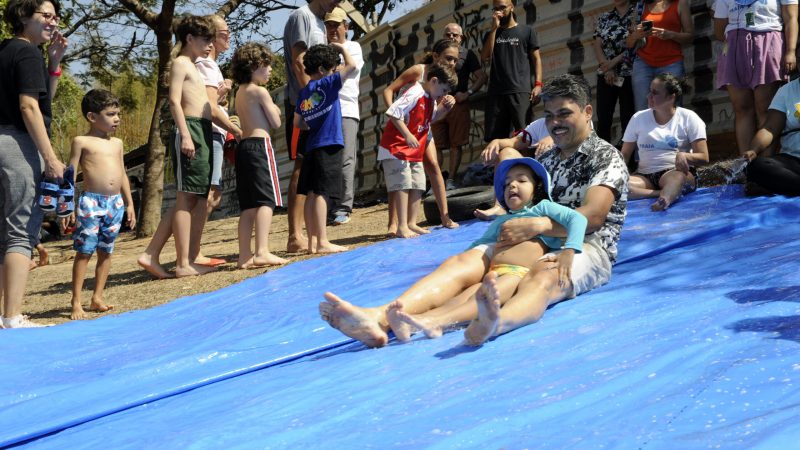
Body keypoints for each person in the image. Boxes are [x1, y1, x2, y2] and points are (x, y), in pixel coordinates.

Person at [320, 74, 628, 348]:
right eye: (549, 116)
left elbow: (594, 216)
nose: (555, 122)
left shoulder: (605, 157)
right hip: (530, 239)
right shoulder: (547, 160)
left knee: (543, 276)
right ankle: (381, 316)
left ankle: (494, 322)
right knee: (463, 262)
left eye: (564, 114)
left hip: (585, 246)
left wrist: (538, 227)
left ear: (587, 112)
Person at [389, 157, 587, 344]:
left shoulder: (543, 208)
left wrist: (570, 249)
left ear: (537, 188)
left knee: (479, 302)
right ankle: (416, 322)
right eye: (507, 183)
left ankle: (438, 322)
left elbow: (577, 219)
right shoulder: (501, 220)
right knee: (461, 299)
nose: (512, 185)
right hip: (493, 273)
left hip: (517, 274)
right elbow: (480, 244)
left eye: (521, 180)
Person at [1, 0, 67, 329]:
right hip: (17, 145)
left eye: (56, 16)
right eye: (46, 15)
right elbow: (29, 109)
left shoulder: (9, 50)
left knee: (4, 232)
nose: (53, 22)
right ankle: (12, 316)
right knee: (19, 234)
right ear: (24, 16)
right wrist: (51, 157)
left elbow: (42, 102)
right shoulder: (27, 53)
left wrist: (54, 63)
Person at [137, 15, 217, 278]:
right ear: (189, 39)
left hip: (201, 130)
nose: (209, 45)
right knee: (186, 196)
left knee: (192, 196)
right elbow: (173, 102)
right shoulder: (180, 63)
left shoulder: (194, 65)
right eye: (205, 39)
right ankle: (183, 263)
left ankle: (151, 254)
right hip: (190, 129)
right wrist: (185, 135)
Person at [60, 89, 135, 320]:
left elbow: (122, 172)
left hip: (115, 203)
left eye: (118, 114)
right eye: (111, 114)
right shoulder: (81, 141)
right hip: (91, 203)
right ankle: (76, 302)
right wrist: (66, 205)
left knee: (106, 251)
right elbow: (70, 174)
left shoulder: (117, 143)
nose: (117, 119)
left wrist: (129, 203)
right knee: (84, 252)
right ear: (92, 117)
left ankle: (97, 297)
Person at [382, 38, 461, 232]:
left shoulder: (432, 95)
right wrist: (405, 129)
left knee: (417, 180)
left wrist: (445, 108)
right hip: (400, 141)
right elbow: (393, 107)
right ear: (436, 57)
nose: (452, 63)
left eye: (455, 61)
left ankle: (412, 222)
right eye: (448, 58)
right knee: (401, 181)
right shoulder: (418, 82)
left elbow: (430, 118)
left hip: (416, 138)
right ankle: (398, 224)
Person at [283, 0, 338, 252]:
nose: (338, 2)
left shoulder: (319, 21)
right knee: (301, 166)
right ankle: (295, 235)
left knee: (312, 170)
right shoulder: (301, 16)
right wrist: (313, 100)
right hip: (305, 106)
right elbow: (299, 61)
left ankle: (313, 235)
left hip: (317, 108)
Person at [294, 43, 356, 254]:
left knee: (311, 193)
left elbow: (298, 123)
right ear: (322, 70)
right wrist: (341, 48)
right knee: (322, 193)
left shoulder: (304, 92)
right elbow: (352, 66)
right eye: (331, 69)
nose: (334, 72)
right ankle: (322, 241)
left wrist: (314, 121)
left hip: (312, 145)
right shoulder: (328, 83)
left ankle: (312, 242)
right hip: (329, 143)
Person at [713, 0, 797, 155]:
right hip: (735, 44)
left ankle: (767, 163)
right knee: (741, 107)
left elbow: (791, 18)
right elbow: (719, 30)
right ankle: (745, 166)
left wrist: (791, 51)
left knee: (766, 107)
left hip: (769, 40)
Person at [231, 43, 288, 269]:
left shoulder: (240, 92)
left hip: (243, 147)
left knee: (248, 205)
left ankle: (244, 256)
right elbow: (274, 122)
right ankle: (262, 251)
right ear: (254, 66)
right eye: (267, 65)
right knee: (267, 200)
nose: (270, 70)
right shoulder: (260, 91)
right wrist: (276, 109)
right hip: (260, 145)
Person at [192, 14, 243, 266]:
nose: (228, 37)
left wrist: (221, 96)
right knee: (207, 194)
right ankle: (193, 252)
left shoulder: (211, 65)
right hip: (209, 132)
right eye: (224, 33)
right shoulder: (205, 64)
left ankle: (192, 249)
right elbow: (206, 105)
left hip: (215, 133)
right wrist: (235, 127)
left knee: (211, 194)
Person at [620, 73, 708, 211]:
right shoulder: (638, 118)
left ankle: (664, 200)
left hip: (674, 172)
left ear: (671, 97)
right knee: (616, 184)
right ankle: (656, 194)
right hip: (645, 177)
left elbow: (704, 157)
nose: (649, 96)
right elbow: (624, 155)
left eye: (655, 93)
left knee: (677, 179)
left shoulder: (689, 117)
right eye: (650, 91)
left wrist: (685, 156)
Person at [432, 23, 487, 190]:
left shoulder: (468, 54)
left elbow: (482, 76)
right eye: (448, 34)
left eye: (455, 35)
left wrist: (468, 92)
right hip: (437, 103)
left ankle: (450, 181)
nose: (451, 37)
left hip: (458, 103)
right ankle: (436, 181)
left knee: (457, 144)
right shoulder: (437, 53)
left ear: (461, 38)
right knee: (436, 145)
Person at [324, 7, 364, 226]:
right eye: (328, 25)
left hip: (347, 109)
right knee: (328, 161)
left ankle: (343, 207)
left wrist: (334, 63)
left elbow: (350, 69)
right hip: (325, 112)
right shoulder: (320, 49)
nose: (331, 29)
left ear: (346, 27)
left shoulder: (353, 46)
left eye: (335, 25)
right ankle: (328, 207)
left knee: (346, 160)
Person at [481, 0, 543, 141]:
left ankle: (525, 163)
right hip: (496, 93)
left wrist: (538, 85)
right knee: (494, 139)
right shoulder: (491, 33)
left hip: (520, 91)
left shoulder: (527, 31)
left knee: (526, 136)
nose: (499, 12)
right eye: (495, 9)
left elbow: (537, 59)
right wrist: (493, 29)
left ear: (512, 7)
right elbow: (485, 57)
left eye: (502, 8)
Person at [626, 0, 693, 112]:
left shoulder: (680, 3)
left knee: (673, 109)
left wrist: (670, 34)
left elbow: (690, 36)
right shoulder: (641, 6)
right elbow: (629, 43)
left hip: (672, 64)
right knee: (643, 110)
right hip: (643, 64)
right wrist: (636, 35)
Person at [743, 77, 800, 196]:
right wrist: (754, 149)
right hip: (793, 161)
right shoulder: (786, 91)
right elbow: (770, 128)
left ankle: (780, 187)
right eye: (799, 58)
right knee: (755, 166)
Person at [593, 0, 636, 145]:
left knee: (628, 117)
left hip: (628, 73)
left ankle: (628, 160)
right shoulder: (605, 17)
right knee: (604, 119)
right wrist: (607, 68)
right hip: (605, 74)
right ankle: (602, 157)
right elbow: (597, 45)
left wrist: (613, 63)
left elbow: (636, 44)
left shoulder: (636, 14)